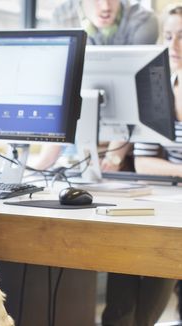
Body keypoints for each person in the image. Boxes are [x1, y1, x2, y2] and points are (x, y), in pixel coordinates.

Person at [110, 4, 182, 325]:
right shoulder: (159, 90)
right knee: (125, 245)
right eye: (168, 36)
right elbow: (144, 161)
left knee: (165, 246)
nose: (174, 46)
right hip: (163, 199)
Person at [31, 0, 159, 172]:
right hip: (75, 131)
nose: (105, 6)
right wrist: (42, 163)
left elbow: (135, 93)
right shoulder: (62, 16)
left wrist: (114, 158)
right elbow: (63, 87)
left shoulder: (143, 20)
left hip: (122, 137)